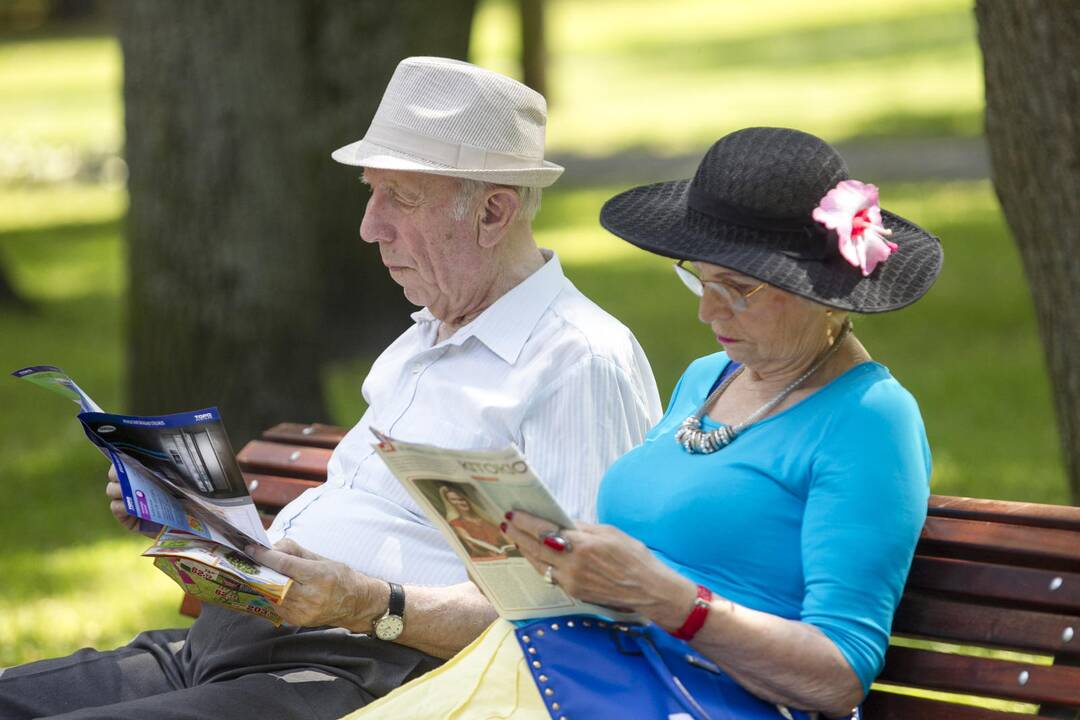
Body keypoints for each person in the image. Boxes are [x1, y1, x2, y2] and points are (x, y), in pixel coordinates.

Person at [0, 57, 661, 720]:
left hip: (356, 673)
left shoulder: (577, 361)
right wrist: (198, 519)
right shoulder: (425, 336)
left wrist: (372, 604)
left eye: (399, 198)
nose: (370, 227)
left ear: (493, 212)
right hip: (227, 645)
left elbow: (565, 619)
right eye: (371, 194)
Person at [346, 126, 942, 720]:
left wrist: (663, 597)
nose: (708, 310)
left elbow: (839, 677)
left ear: (827, 292)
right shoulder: (711, 375)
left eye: (738, 289)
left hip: (696, 701)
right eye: (699, 279)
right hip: (581, 676)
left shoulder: (870, 420)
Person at [438, 484, 516, 559]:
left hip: (508, 554)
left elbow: (507, 537)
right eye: (454, 500)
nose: (460, 502)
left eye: (461, 499)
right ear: (449, 502)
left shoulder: (487, 518)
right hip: (484, 557)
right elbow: (470, 544)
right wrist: (486, 553)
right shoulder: (456, 522)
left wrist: (512, 546)